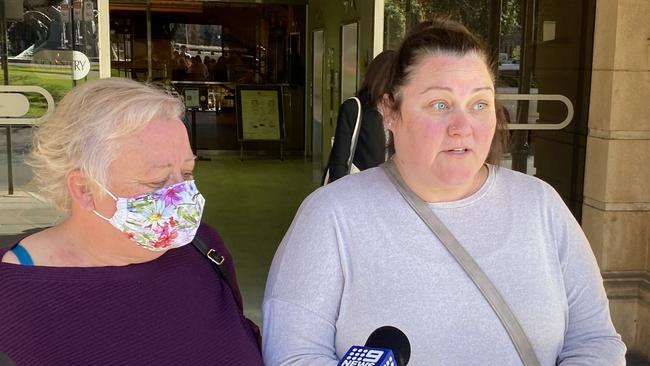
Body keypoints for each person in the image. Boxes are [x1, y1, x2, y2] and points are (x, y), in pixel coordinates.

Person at [262, 19, 626, 365]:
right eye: (440, 104)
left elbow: (594, 339)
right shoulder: (330, 216)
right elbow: (294, 353)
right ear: (390, 112)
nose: (462, 127)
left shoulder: (541, 206)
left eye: (479, 104)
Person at [0, 78, 264, 365]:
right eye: (156, 182)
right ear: (85, 189)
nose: (181, 196)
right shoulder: (13, 300)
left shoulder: (204, 248)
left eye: (187, 173)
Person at [325, 50, 396, 183]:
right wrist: (342, 194)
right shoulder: (354, 108)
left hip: (390, 188)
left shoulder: (400, 112)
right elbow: (338, 161)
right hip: (359, 187)